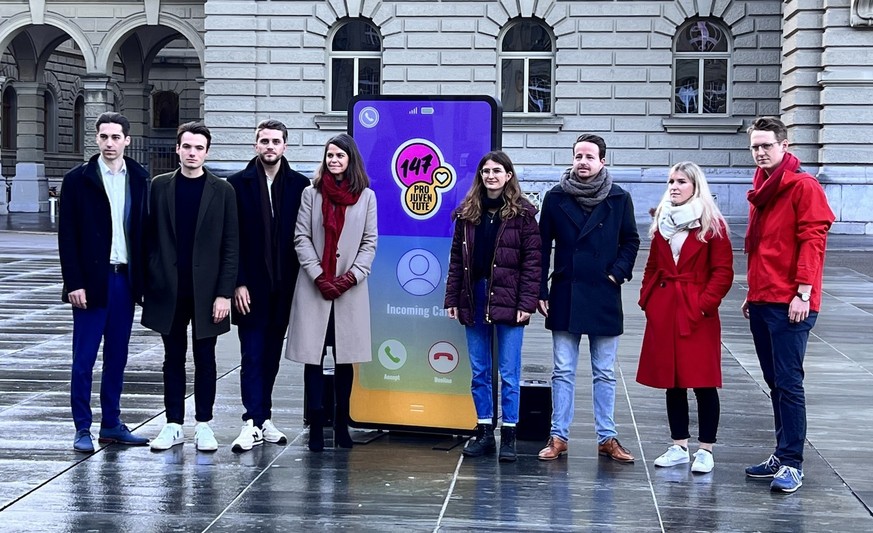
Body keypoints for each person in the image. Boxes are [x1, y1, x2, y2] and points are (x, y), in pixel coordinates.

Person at [741, 117, 834, 493]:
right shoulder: (762, 186)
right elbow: (761, 247)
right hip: (763, 298)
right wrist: (751, 292)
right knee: (775, 382)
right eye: (755, 147)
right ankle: (781, 454)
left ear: (784, 146)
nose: (760, 152)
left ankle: (792, 463)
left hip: (791, 302)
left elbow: (813, 239)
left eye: (767, 146)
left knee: (790, 383)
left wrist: (804, 292)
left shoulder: (802, 186)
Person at [537, 133, 640, 462]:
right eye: (578, 156)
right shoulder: (555, 197)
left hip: (603, 292)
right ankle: (558, 436)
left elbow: (631, 241)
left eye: (589, 157)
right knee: (563, 370)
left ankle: (607, 437)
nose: (582, 162)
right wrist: (540, 289)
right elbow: (541, 247)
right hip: (566, 291)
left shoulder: (619, 198)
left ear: (602, 161)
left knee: (605, 371)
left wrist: (616, 273)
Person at [142, 122, 239, 452]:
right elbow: (148, 237)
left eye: (199, 148)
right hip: (169, 287)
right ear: (178, 149)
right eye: (187, 147)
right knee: (172, 358)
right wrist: (150, 279)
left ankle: (204, 425)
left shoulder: (222, 191)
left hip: (208, 291)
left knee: (206, 357)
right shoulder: (159, 186)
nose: (192, 153)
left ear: (207, 152)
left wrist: (225, 292)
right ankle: (172, 424)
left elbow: (231, 244)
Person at [58, 112, 151, 452]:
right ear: (96, 139)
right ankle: (82, 427)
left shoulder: (141, 178)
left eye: (116, 137)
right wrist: (74, 283)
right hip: (90, 282)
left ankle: (111, 423)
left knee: (117, 356)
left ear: (127, 140)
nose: (110, 143)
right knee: (83, 359)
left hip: (125, 281)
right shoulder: (78, 179)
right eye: (104, 137)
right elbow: (67, 236)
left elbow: (146, 233)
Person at [636, 162, 734, 474]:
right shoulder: (662, 222)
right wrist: (647, 300)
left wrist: (704, 305)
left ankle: (706, 449)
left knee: (703, 382)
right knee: (672, 381)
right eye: (671, 181)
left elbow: (723, 272)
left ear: (696, 186)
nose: (674, 186)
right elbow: (652, 266)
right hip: (665, 308)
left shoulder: (712, 224)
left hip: (697, 311)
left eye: (681, 181)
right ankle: (678, 444)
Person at [444, 150, 542, 463]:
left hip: (510, 298)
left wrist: (526, 303)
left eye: (497, 171)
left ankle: (509, 435)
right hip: (474, 295)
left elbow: (533, 264)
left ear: (509, 175)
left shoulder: (524, 214)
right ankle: (485, 431)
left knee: (509, 372)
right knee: (480, 370)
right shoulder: (467, 213)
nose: (491, 176)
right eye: (486, 171)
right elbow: (456, 261)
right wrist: (452, 299)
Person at [285, 133, 377, 452]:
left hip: (349, 292)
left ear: (351, 160)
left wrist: (349, 277)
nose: (333, 161)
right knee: (313, 359)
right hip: (315, 289)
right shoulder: (311, 194)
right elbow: (301, 238)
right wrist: (319, 276)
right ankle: (315, 424)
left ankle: (341, 425)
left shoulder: (366, 197)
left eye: (339, 156)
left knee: (344, 361)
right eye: (329, 156)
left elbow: (369, 242)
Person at [227, 120, 310, 453]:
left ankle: (265, 419)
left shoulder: (300, 185)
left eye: (276, 141)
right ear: (255, 145)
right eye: (264, 141)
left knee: (272, 356)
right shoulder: (237, 185)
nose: (270, 146)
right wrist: (238, 283)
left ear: (285, 146)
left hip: (285, 287)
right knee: (252, 354)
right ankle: (250, 420)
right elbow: (231, 239)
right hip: (251, 287)